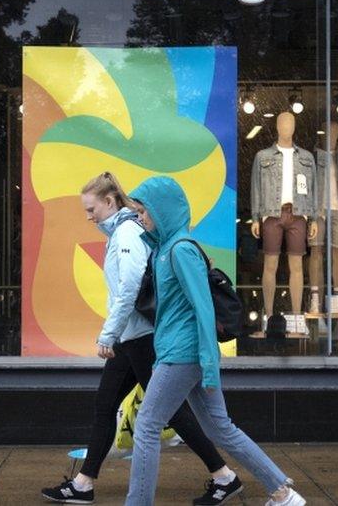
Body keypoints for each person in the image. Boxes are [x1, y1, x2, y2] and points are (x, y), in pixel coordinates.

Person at [42, 172, 237, 505]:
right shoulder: (122, 231)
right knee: (106, 405)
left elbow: (130, 288)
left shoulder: (126, 233)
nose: (89, 217)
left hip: (141, 337)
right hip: (131, 338)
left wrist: (109, 333)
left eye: (92, 209)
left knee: (170, 413)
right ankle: (84, 483)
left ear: (109, 201)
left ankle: (224, 475)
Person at [125, 176, 306, 506]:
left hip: (183, 355)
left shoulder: (180, 251)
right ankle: (282, 493)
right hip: (183, 353)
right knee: (221, 428)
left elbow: (203, 308)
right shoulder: (164, 249)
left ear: (162, 211)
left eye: (144, 211)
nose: (141, 218)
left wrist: (209, 364)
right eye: (137, 212)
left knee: (148, 426)